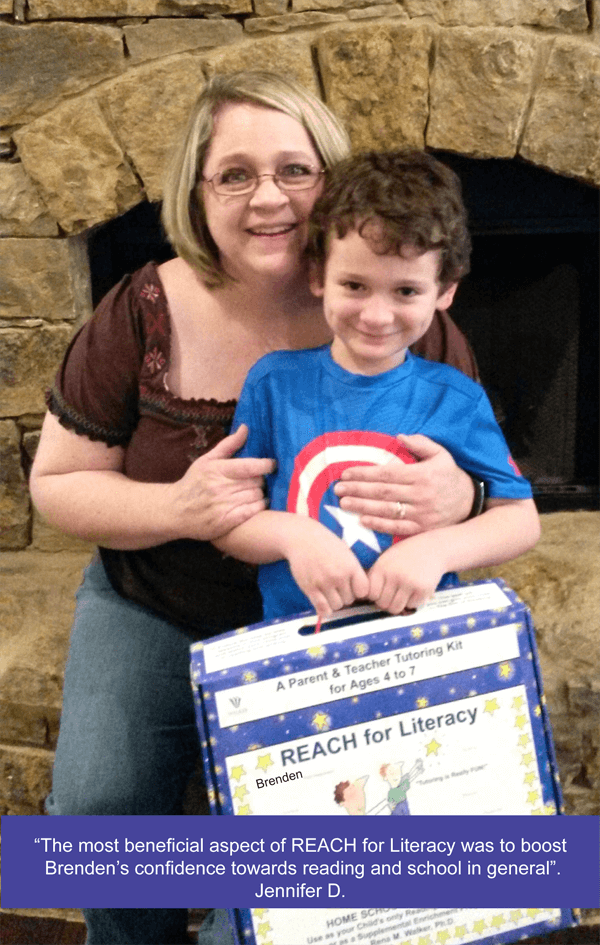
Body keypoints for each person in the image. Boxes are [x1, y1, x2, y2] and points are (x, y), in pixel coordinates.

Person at [30, 73, 480, 945]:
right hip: (157, 601)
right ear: (196, 195)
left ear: (333, 181)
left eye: (294, 170)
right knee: (95, 813)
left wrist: (459, 496)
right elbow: (56, 483)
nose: (267, 196)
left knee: (297, 875)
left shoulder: (393, 304)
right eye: (233, 174)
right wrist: (180, 506)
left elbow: (492, 483)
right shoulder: (141, 310)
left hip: (339, 634)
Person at [215, 150, 540, 620]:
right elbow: (229, 524)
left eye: (406, 291)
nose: (376, 315)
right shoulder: (273, 384)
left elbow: (520, 519)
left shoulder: (457, 399)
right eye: (355, 285)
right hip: (300, 649)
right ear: (318, 276)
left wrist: (437, 553)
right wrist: (295, 538)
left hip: (419, 645)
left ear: (445, 291)